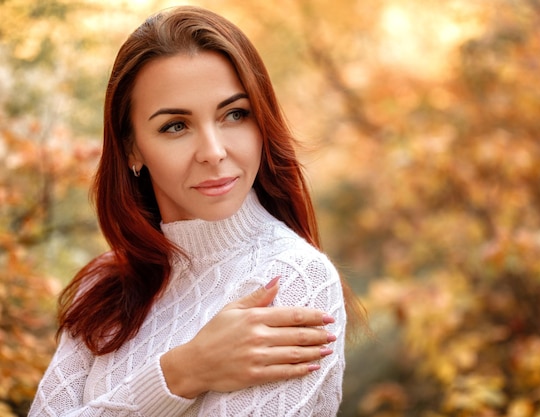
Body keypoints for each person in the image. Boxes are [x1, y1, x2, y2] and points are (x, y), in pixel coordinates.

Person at [29, 5, 363, 416]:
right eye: (175, 126)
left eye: (235, 114)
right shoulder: (104, 287)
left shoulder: (294, 280)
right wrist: (180, 374)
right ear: (132, 147)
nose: (213, 152)